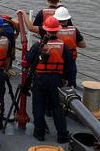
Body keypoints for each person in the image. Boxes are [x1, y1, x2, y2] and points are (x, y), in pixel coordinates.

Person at [26, 15, 73, 143]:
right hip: (56, 79)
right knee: (56, 107)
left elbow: (29, 60)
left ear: (45, 30)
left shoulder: (38, 45)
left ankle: (39, 133)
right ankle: (62, 135)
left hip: (40, 78)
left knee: (38, 106)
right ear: (57, 30)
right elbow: (68, 65)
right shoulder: (64, 46)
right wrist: (65, 78)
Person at [54, 6, 85, 87]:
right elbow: (83, 45)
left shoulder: (53, 31)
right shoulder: (74, 30)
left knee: (55, 89)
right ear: (68, 20)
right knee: (70, 88)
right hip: (71, 65)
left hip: (56, 66)